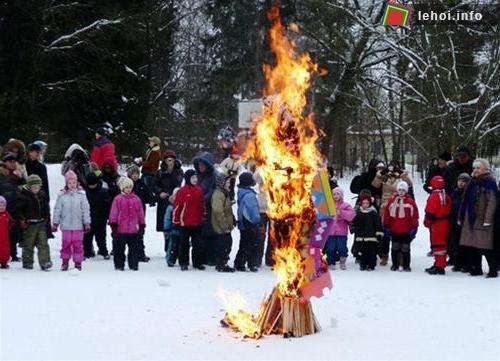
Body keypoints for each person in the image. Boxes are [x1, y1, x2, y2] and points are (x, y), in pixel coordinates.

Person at [458, 159, 498, 278]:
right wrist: (461, 215)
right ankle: (476, 268)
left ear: (485, 169)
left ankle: (493, 269)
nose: (475, 170)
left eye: (478, 168)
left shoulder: (489, 182)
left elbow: (492, 202)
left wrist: (488, 219)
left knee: (485, 245)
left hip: (482, 218)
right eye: (474, 168)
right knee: (473, 245)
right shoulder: (472, 182)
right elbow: (464, 200)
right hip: (470, 217)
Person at [372, 159, 413, 266]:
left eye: (395, 166)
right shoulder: (385, 176)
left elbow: (409, 184)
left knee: (399, 232)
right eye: (391, 166)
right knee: (386, 232)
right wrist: (380, 174)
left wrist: (401, 174)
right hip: (385, 206)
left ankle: (400, 256)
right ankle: (384, 255)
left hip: (399, 205)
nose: (392, 168)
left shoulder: (401, 177)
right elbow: (375, 185)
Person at [52, 171, 91, 271]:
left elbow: (85, 209)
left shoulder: (81, 195)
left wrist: (86, 223)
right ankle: (65, 262)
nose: (72, 185)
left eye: (74, 182)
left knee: (78, 244)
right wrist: (55, 223)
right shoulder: (62, 195)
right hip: (66, 226)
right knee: (66, 244)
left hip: (78, 226)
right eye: (69, 183)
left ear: (77, 183)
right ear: (66, 183)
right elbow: (57, 209)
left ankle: (78, 262)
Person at [15, 175, 52, 270]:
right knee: (28, 244)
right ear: (29, 187)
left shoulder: (42, 195)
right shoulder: (23, 196)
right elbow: (19, 210)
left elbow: (46, 207)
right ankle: (27, 262)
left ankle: (45, 262)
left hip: (41, 223)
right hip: (29, 225)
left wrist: (47, 217)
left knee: (43, 243)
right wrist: (22, 219)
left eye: (38, 187)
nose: (36, 189)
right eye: (34, 187)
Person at [109, 177, 145, 271]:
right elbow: (114, 213)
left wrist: (142, 225)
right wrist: (114, 225)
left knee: (133, 249)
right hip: (121, 229)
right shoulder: (118, 199)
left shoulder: (136, 199)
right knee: (119, 249)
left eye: (130, 187)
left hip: (133, 229)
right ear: (122, 188)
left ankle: (133, 264)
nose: (128, 189)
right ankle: (119, 265)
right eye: (126, 187)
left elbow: (140, 213)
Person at [383, 181, 419, 271]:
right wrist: (386, 226)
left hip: (406, 230)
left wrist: (414, 228)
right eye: (399, 190)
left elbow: (414, 216)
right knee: (395, 248)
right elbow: (387, 214)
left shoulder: (410, 202)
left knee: (405, 249)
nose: (401, 192)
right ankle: (395, 264)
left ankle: (406, 265)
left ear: (406, 191)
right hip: (394, 229)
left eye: (403, 190)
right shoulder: (392, 201)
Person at [173, 169, 205, 271]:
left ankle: (197, 262)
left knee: (197, 243)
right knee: (184, 243)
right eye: (193, 178)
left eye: (196, 177)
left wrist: (203, 216)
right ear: (187, 179)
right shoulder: (182, 191)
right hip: (185, 222)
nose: (195, 179)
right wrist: (176, 221)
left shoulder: (199, 190)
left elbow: (202, 205)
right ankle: (184, 262)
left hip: (197, 222)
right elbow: (177, 207)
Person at [424, 176, 452, 275]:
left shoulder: (433, 196)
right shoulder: (446, 196)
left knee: (438, 245)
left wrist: (427, 222)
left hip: (437, 223)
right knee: (442, 244)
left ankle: (440, 266)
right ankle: (439, 263)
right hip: (446, 222)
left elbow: (429, 211)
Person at [127, 164, 155, 262]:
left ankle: (140, 253)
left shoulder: (142, 184)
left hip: (140, 212)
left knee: (140, 232)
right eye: (133, 174)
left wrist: (152, 199)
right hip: (128, 213)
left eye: (137, 174)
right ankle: (132, 253)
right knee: (129, 233)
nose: (135, 176)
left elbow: (149, 196)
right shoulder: (127, 185)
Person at [0, 152, 25, 261]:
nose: (12, 163)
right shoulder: (1, 174)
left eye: (14, 161)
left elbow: (24, 188)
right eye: (10, 161)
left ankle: (13, 254)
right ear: (4, 162)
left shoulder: (16, 175)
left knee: (14, 232)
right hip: (3, 208)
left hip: (15, 207)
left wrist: (21, 177)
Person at [193, 152, 217, 265]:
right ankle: (201, 257)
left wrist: (202, 199)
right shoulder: (196, 176)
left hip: (209, 207)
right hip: (197, 208)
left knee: (209, 233)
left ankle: (211, 257)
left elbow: (213, 191)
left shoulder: (213, 176)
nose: (200, 167)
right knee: (199, 233)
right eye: (199, 164)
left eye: (203, 164)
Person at [234, 172, 261, 272]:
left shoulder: (242, 192)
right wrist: (257, 220)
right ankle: (249, 263)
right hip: (250, 222)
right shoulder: (249, 195)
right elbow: (253, 210)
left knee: (244, 243)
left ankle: (239, 262)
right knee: (251, 243)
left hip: (244, 222)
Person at [325, 188, 356, 270]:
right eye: (334, 194)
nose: (335, 196)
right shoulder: (328, 205)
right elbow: (323, 215)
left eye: (338, 194)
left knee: (342, 247)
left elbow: (351, 215)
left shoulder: (345, 205)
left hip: (341, 232)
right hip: (330, 232)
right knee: (330, 248)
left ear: (341, 196)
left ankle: (342, 261)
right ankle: (331, 262)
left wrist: (341, 213)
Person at [154, 151, 183, 233]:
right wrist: (160, 192)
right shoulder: (160, 172)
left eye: (171, 160)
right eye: (168, 160)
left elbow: (178, 183)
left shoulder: (179, 171)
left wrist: (171, 172)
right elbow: (154, 185)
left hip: (175, 199)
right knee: (165, 226)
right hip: (163, 200)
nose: (169, 162)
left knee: (175, 224)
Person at [84, 173, 112, 259]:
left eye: (93, 184)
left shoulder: (104, 191)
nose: (92, 186)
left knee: (101, 237)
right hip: (88, 219)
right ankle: (87, 252)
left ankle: (103, 251)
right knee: (87, 238)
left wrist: (108, 217)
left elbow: (108, 205)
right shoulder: (84, 192)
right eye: (90, 184)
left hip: (101, 218)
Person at [211, 172, 235, 272]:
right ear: (221, 183)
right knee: (223, 245)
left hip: (226, 226)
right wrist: (224, 225)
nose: (229, 184)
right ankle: (221, 264)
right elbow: (218, 211)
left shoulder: (225, 193)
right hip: (221, 227)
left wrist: (232, 219)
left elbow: (228, 209)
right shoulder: (218, 195)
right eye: (227, 182)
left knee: (228, 243)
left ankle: (223, 261)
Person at [352, 195, 383, 271]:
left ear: (370, 204)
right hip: (361, 237)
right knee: (363, 252)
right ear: (361, 204)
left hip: (371, 237)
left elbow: (378, 224)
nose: (365, 205)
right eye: (364, 203)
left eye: (367, 203)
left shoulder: (373, 213)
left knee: (372, 252)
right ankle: (363, 264)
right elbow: (355, 223)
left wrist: (378, 233)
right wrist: (355, 229)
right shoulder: (359, 213)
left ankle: (371, 265)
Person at [449, 173, 471, 272]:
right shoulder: (455, 192)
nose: (461, 183)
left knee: (464, 244)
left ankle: (465, 264)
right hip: (454, 221)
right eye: (460, 181)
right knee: (455, 242)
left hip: (464, 222)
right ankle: (457, 263)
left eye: (464, 181)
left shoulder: (467, 193)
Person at [163, 188, 180, 267]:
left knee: (181, 245)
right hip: (172, 229)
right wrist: (166, 229)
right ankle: (170, 259)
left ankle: (181, 258)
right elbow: (167, 219)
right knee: (172, 245)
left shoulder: (183, 206)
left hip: (182, 228)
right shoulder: (170, 207)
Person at [0, 196, 14, 269]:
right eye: (0, 206)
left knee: (5, 249)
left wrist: (9, 228)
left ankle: (4, 262)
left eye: (3, 206)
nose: (2, 207)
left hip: (5, 236)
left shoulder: (7, 214)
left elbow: (12, 222)